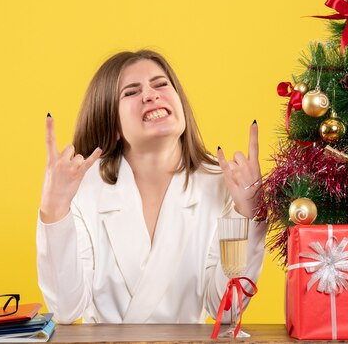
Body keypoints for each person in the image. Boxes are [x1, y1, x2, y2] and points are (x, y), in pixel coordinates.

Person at [36, 49, 267, 324]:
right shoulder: (82, 189)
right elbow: (65, 309)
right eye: (131, 92)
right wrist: (53, 211)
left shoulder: (223, 185)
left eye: (160, 84)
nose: (151, 94)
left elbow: (226, 311)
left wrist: (249, 213)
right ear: (113, 126)